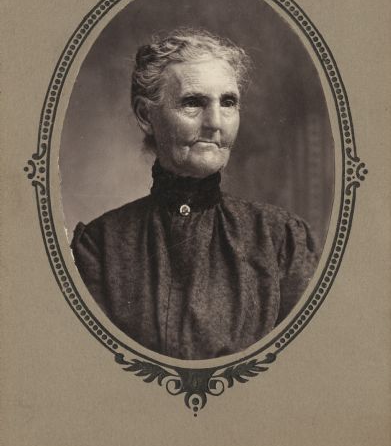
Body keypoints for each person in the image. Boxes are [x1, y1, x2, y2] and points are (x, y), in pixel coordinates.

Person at [71, 29, 318, 360]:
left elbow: (307, 367)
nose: (215, 122)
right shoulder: (99, 247)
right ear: (146, 115)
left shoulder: (281, 240)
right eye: (193, 102)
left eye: (228, 102)